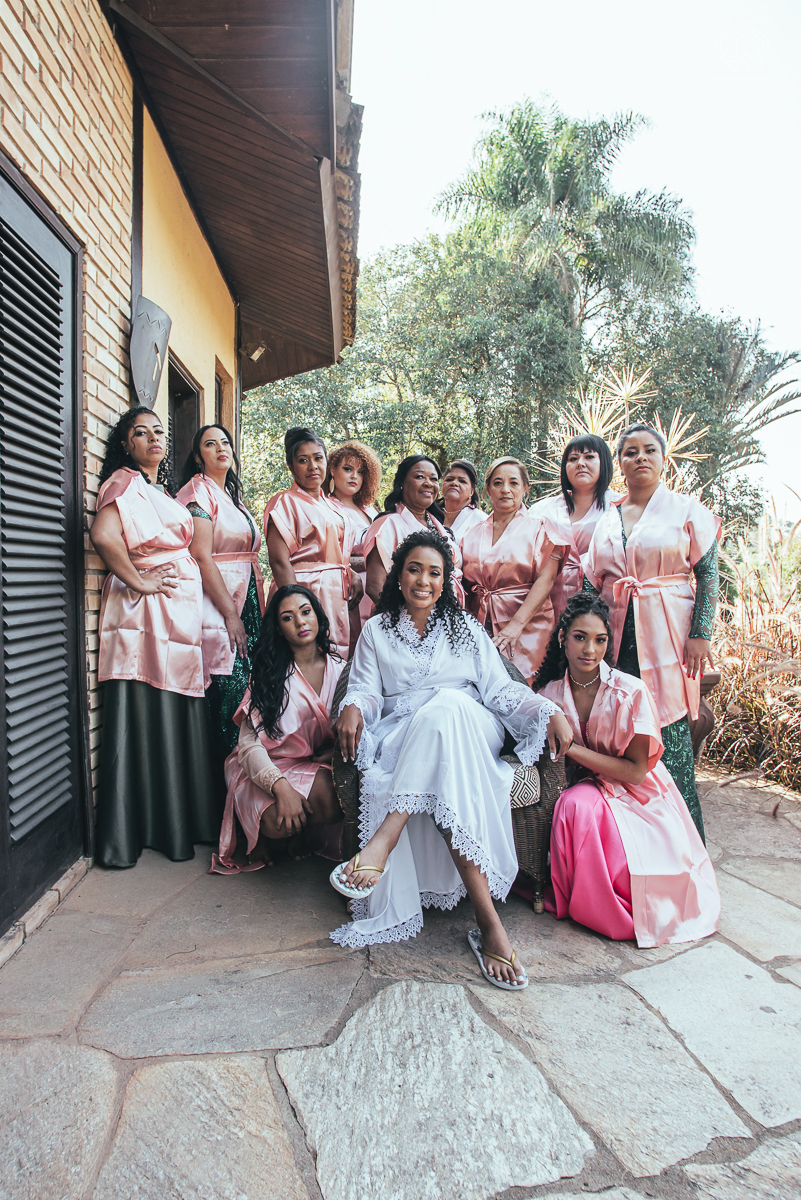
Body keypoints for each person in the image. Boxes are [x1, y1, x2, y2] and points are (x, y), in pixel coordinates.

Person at [329, 530, 574, 989]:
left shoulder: (466, 628)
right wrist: (353, 707)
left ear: (446, 582)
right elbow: (362, 687)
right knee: (440, 745)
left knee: (447, 708)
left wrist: (549, 709)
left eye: (435, 572)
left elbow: (500, 691)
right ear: (399, 576)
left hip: (470, 726)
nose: (424, 580)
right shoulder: (378, 631)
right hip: (405, 734)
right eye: (414, 569)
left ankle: (384, 838)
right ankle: (490, 924)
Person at [534, 593, 720, 946]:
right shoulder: (550, 694)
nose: (590, 649)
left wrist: (573, 748)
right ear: (563, 638)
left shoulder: (630, 691)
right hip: (585, 788)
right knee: (576, 804)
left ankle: (622, 910)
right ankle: (589, 902)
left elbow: (636, 771)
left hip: (639, 793)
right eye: (580, 637)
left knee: (580, 805)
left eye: (600, 640)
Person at [90, 406, 220, 867]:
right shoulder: (124, 481)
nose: (152, 438)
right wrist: (140, 581)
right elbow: (105, 536)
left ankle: (179, 821)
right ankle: (140, 830)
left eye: (158, 432)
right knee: (149, 704)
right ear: (126, 444)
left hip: (176, 613)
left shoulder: (157, 489)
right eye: (140, 433)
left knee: (176, 703)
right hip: (145, 612)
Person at [212, 585, 344, 872]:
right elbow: (248, 748)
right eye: (288, 617)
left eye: (306, 612)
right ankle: (261, 833)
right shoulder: (270, 675)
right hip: (259, 768)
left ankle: (300, 830)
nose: (300, 622)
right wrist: (281, 788)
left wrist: (335, 750)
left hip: (306, 765)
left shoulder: (340, 669)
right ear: (279, 628)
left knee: (337, 798)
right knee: (276, 822)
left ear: (318, 616)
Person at [176, 425, 265, 762]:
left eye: (225, 442)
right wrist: (230, 613)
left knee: (251, 692)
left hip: (249, 599)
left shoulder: (229, 495)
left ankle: (249, 775)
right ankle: (223, 784)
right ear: (199, 456)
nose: (220, 448)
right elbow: (201, 555)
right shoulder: (197, 492)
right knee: (229, 689)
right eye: (210, 444)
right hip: (219, 601)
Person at [461, 456, 566, 684]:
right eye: (497, 483)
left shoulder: (542, 528)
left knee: (526, 689)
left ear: (525, 489)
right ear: (487, 489)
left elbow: (546, 580)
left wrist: (515, 627)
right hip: (480, 624)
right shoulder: (471, 532)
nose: (505, 490)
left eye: (514, 483)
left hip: (528, 624)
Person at [264, 427, 360, 660]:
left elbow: (341, 552)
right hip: (306, 589)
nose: (312, 466)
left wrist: (352, 573)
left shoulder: (335, 506)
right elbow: (278, 561)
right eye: (303, 460)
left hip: (338, 593)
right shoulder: (284, 502)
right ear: (291, 467)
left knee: (338, 661)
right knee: (307, 657)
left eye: (318, 458)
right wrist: (297, 607)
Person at [529, 434, 619, 621]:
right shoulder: (542, 510)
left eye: (589, 457)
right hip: (547, 604)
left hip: (604, 603)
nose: (580, 463)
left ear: (605, 462)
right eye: (573, 459)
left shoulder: (619, 506)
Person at [362, 454, 464, 606]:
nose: (428, 484)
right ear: (402, 482)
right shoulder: (387, 525)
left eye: (434, 479)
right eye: (420, 477)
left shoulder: (439, 527)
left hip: (447, 617)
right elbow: (375, 586)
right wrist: (407, 623)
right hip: (404, 619)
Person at [324, 440, 382, 640]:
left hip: (377, 588)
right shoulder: (326, 508)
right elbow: (327, 556)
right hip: (348, 588)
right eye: (348, 469)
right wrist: (371, 563)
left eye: (360, 472)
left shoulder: (369, 509)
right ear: (332, 469)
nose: (354, 477)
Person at [441, 459, 487, 542]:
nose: (454, 483)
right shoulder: (430, 515)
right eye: (449, 479)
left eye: (462, 481)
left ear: (471, 492)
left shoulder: (481, 520)